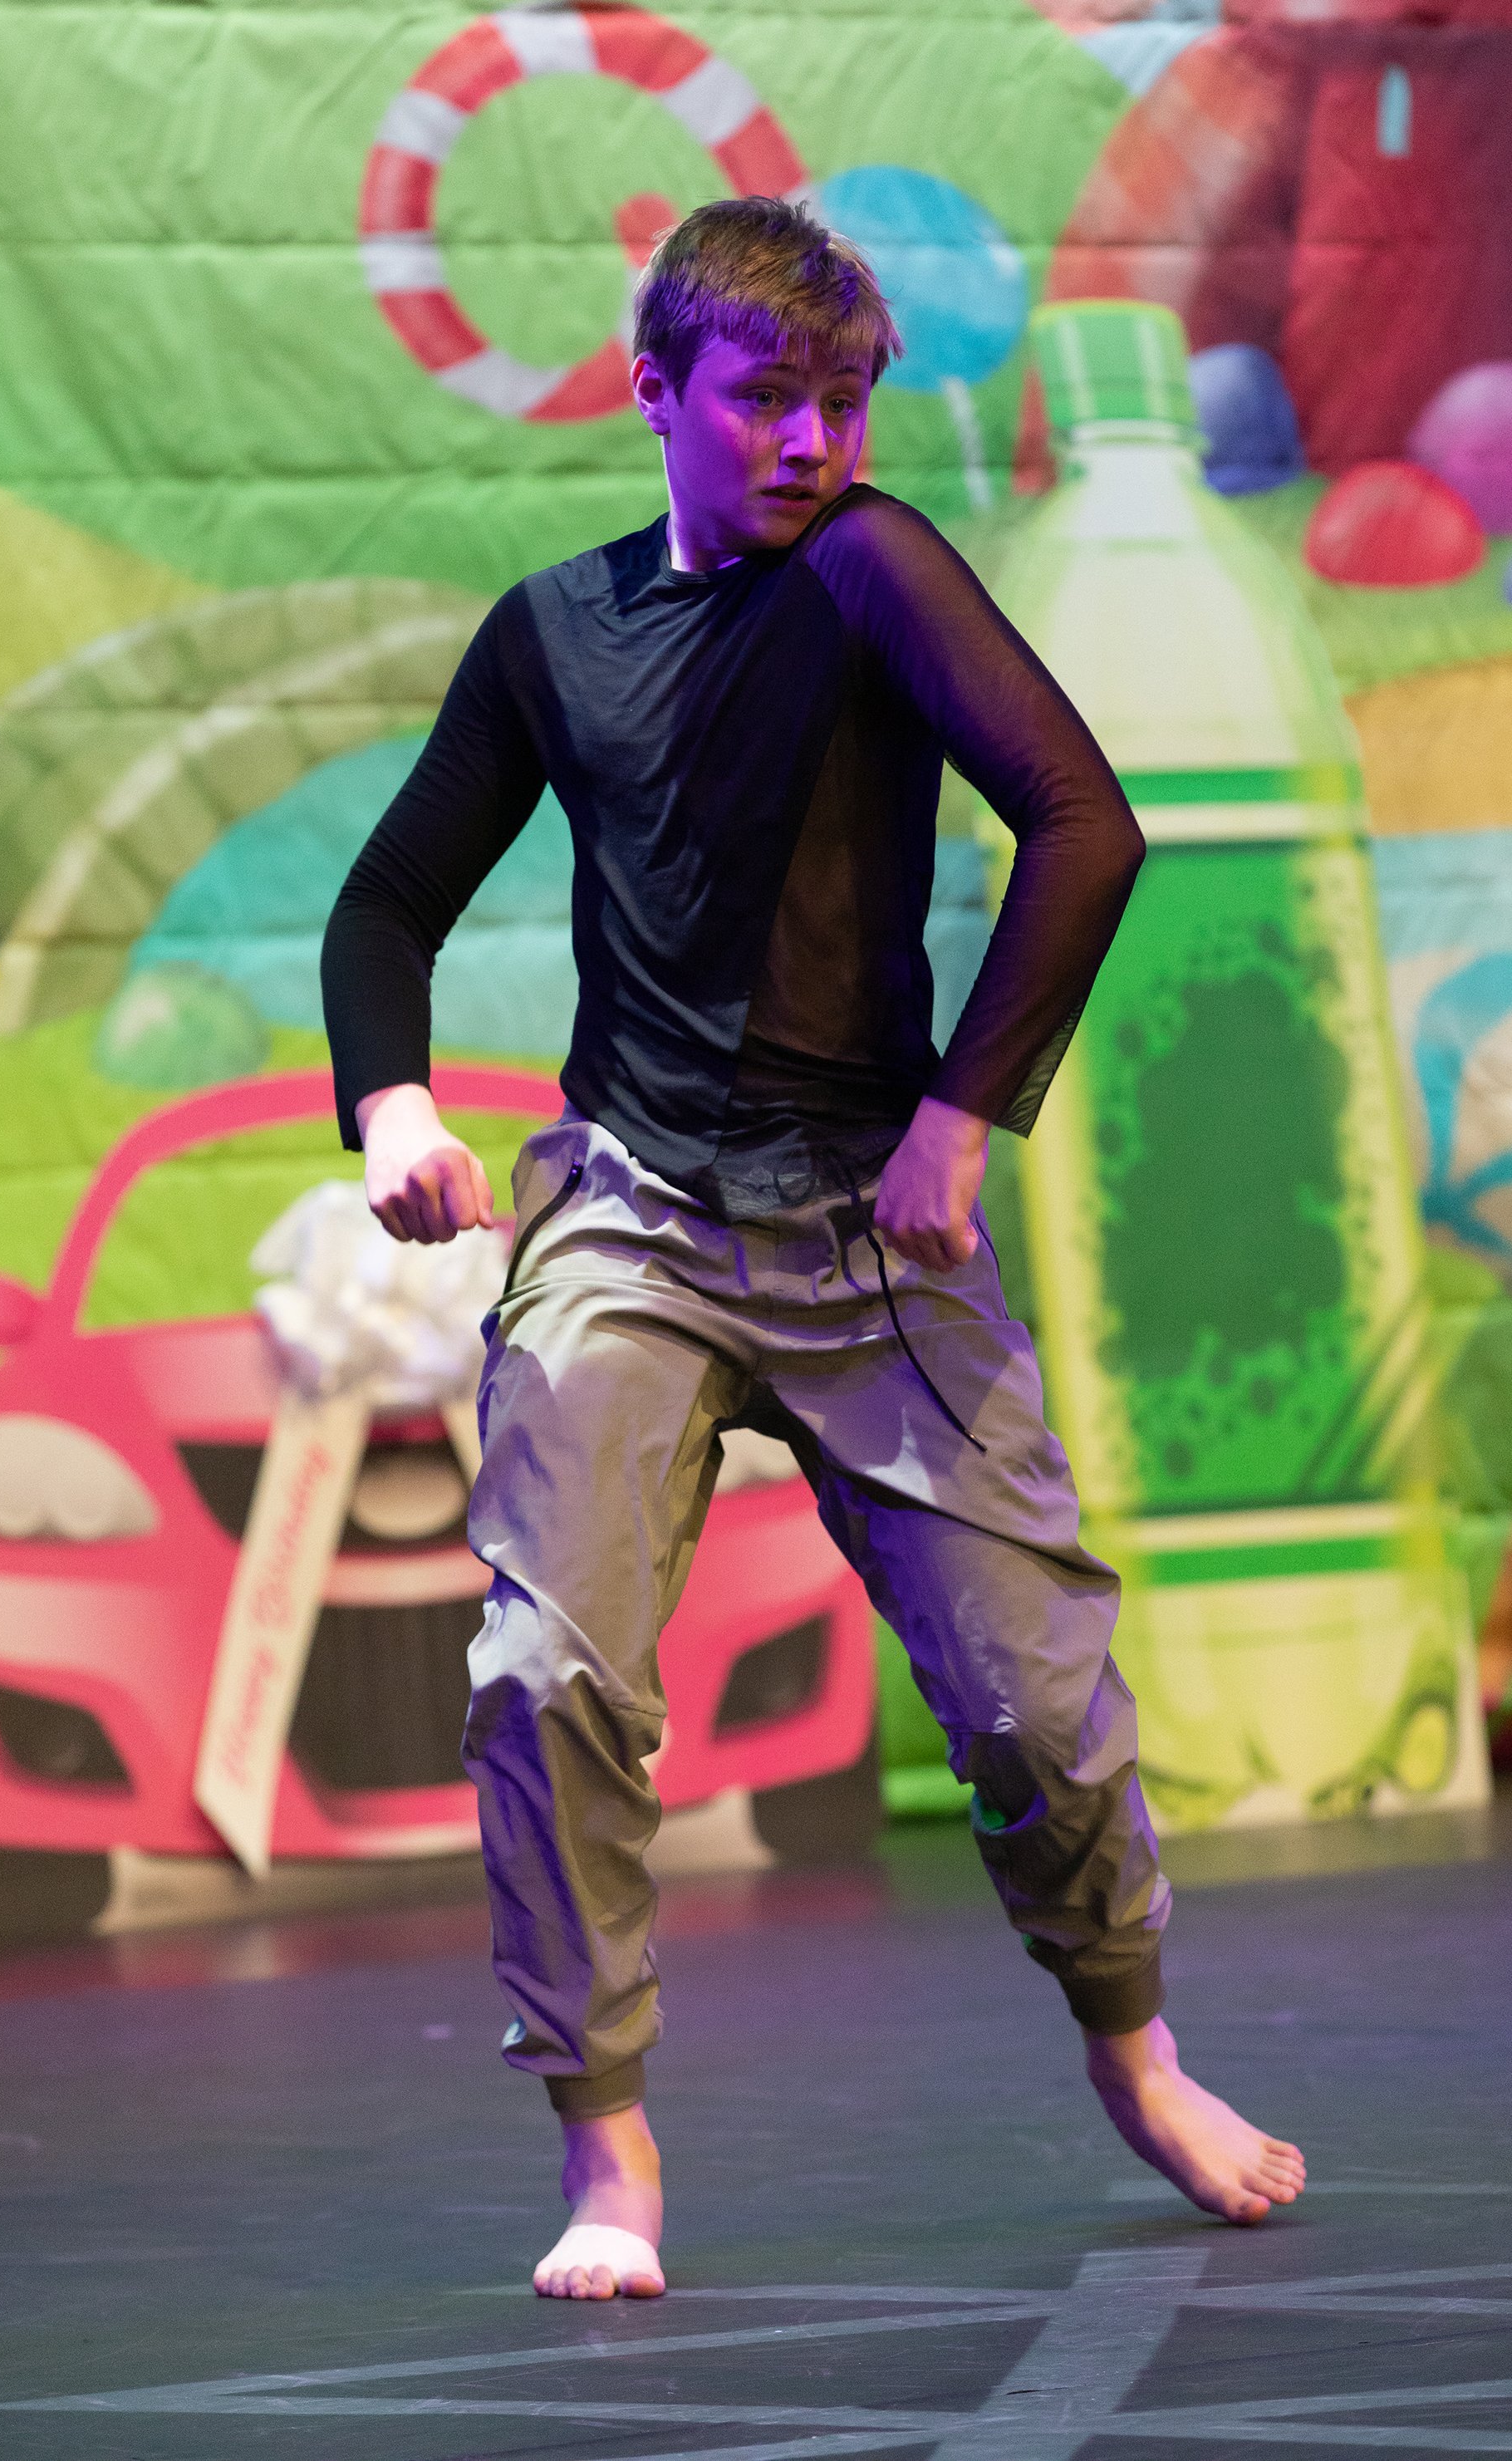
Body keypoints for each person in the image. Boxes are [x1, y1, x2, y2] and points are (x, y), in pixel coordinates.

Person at [321, 197, 1306, 2301]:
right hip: (636, 1215)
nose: (810, 441)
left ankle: (1135, 2051)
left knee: (1034, 1708)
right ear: (652, 390)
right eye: (764, 398)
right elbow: (387, 901)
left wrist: (962, 1116)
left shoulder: (869, 565)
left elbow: (1083, 820)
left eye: (843, 400)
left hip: (871, 1221)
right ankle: (607, 2146)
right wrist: (391, 1102)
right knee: (543, 1670)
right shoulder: (553, 632)